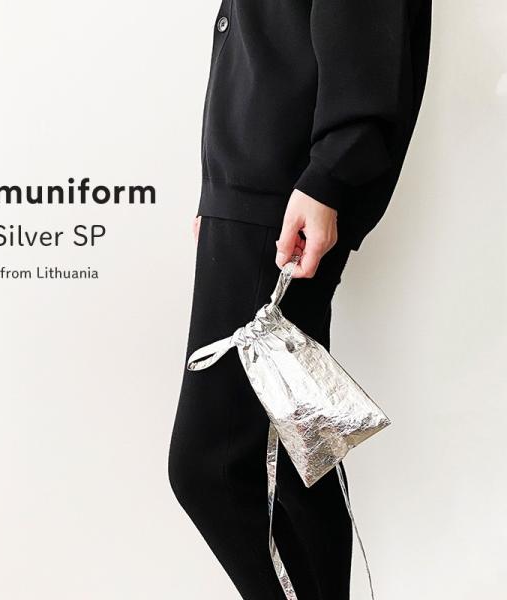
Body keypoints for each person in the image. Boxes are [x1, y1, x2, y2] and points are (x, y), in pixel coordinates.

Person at [169, 1, 432, 598]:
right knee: (295, 455)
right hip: (258, 192)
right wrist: (219, 190)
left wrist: (329, 174)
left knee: (213, 467)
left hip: (283, 193)